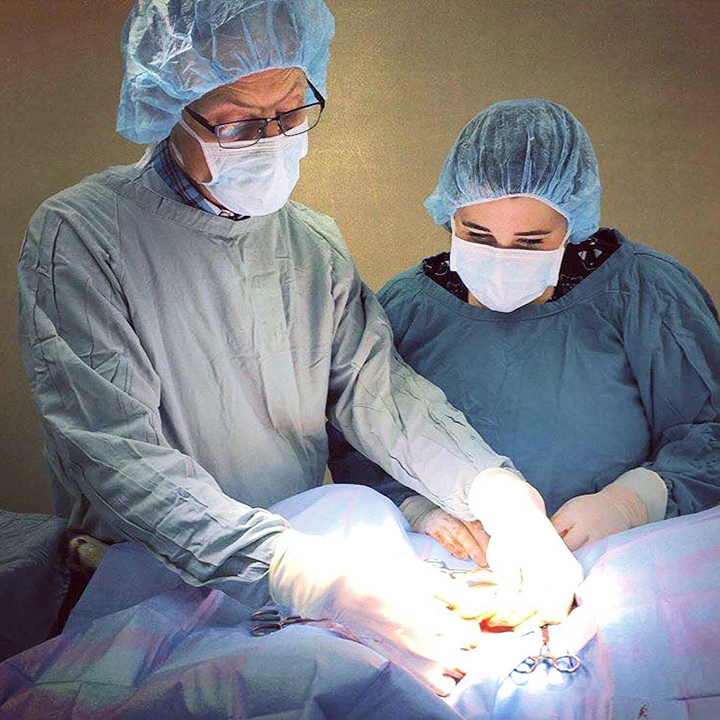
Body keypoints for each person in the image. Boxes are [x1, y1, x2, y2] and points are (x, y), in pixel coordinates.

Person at [16, 2, 581, 695]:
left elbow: (381, 395)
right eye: (238, 123)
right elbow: (119, 459)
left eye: (289, 114)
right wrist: (292, 571)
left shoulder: (311, 245)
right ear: (170, 106)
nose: (272, 140)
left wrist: (497, 494)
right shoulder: (82, 235)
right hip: (145, 581)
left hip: (299, 568)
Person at [328, 98, 720, 564]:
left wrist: (632, 501)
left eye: (532, 242)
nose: (501, 256)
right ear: (449, 216)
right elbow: (359, 435)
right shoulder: (407, 308)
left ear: (572, 225)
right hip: (453, 567)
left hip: (622, 563)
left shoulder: (644, 293)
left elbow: (709, 433)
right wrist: (417, 508)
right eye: (477, 236)